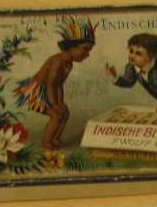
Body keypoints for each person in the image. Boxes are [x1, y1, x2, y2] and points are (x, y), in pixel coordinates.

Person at [15, 17, 97, 149]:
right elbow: (50, 84)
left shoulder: (69, 64)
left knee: (65, 113)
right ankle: (46, 142)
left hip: (49, 91)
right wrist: (54, 104)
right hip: (36, 92)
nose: (87, 54)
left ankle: (55, 139)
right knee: (56, 115)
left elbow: (58, 85)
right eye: (85, 49)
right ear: (72, 46)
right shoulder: (58, 61)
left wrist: (60, 102)